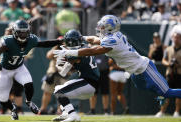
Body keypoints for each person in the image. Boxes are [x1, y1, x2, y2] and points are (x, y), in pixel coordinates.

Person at [53, 15, 181, 105]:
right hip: (134, 72)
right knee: (141, 86)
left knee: (167, 92)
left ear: (109, 28)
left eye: (103, 27)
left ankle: (162, 93)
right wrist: (81, 37)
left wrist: (70, 51)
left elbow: (94, 50)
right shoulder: (112, 36)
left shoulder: (112, 40)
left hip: (144, 67)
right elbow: (93, 40)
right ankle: (159, 93)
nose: (100, 29)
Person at [0, 19, 63, 120]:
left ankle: (29, 102)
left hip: (19, 68)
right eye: (20, 32)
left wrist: (59, 41)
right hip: (5, 71)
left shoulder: (31, 40)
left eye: (25, 32)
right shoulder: (8, 41)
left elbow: (44, 44)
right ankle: (13, 109)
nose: (23, 35)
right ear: (15, 32)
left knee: (28, 83)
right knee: (3, 100)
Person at [52, 29, 99, 122]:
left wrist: (58, 65)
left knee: (59, 92)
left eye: (71, 41)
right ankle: (66, 113)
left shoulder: (76, 52)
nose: (70, 43)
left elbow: (63, 72)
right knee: (58, 88)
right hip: (90, 83)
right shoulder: (85, 47)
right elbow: (72, 70)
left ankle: (73, 115)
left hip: (87, 83)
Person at [155, 25, 181, 117]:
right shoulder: (168, 49)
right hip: (169, 74)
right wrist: (169, 64)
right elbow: (163, 60)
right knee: (165, 93)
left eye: (178, 37)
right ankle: (162, 111)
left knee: (179, 94)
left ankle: (177, 112)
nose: (176, 39)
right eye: (174, 37)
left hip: (179, 74)